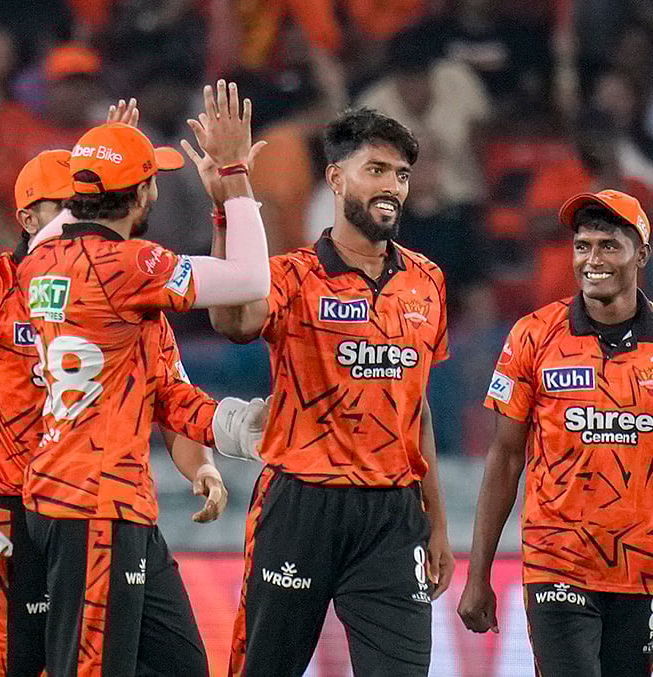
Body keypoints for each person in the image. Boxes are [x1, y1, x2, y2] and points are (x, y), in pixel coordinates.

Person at [0, 112, 238, 675]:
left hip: (106, 506)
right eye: (65, 204)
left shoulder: (126, 290)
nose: (78, 214)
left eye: (83, 200)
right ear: (27, 217)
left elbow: (166, 394)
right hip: (10, 518)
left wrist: (204, 464)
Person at [456, 189, 653, 677]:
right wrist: (479, 574)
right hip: (556, 565)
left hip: (644, 573)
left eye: (608, 245)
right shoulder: (533, 336)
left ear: (641, 253)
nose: (592, 259)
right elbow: (505, 458)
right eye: (583, 246)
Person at [16, 81, 269, 677]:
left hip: (94, 499)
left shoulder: (41, 259)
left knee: (180, 666)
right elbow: (253, 279)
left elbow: (165, 391)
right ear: (146, 194)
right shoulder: (131, 268)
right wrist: (234, 177)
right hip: (95, 506)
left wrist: (97, 159)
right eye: (151, 175)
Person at [205, 107, 454, 677]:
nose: (392, 186)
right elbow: (234, 324)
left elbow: (419, 410)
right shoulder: (292, 275)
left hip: (394, 517)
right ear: (336, 179)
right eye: (376, 170)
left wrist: (436, 522)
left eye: (401, 175)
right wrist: (224, 211)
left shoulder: (428, 281)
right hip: (301, 504)